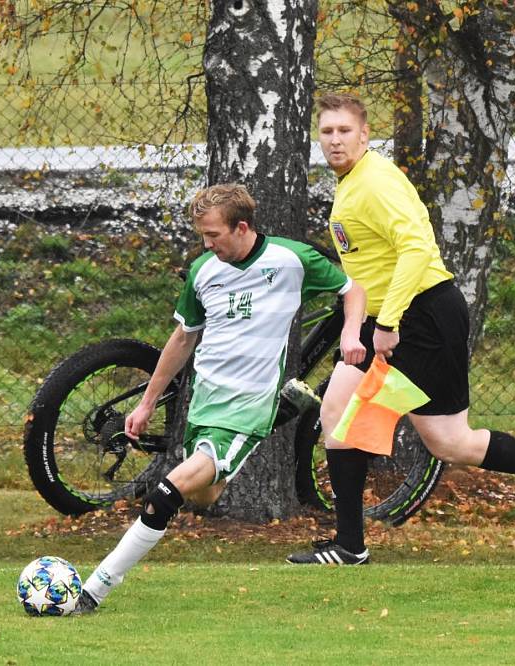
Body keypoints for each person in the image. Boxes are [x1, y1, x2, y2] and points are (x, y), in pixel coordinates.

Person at [286, 94, 515, 566]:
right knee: (338, 413)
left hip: (424, 316)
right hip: (392, 317)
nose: (334, 140)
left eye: (344, 131)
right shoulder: (351, 182)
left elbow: (416, 249)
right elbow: (368, 267)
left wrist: (387, 323)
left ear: (365, 134)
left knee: (450, 442)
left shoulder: (375, 182)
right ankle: (350, 545)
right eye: (327, 131)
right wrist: (363, 325)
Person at [72, 183, 365, 612]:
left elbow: (352, 289)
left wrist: (352, 332)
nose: (206, 245)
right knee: (203, 497)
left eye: (213, 235)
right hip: (206, 400)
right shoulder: (203, 271)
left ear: (241, 227)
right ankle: (285, 411)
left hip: (246, 405)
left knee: (166, 493)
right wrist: (147, 402)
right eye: (202, 237)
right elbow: (183, 337)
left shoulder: (291, 260)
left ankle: (94, 589)